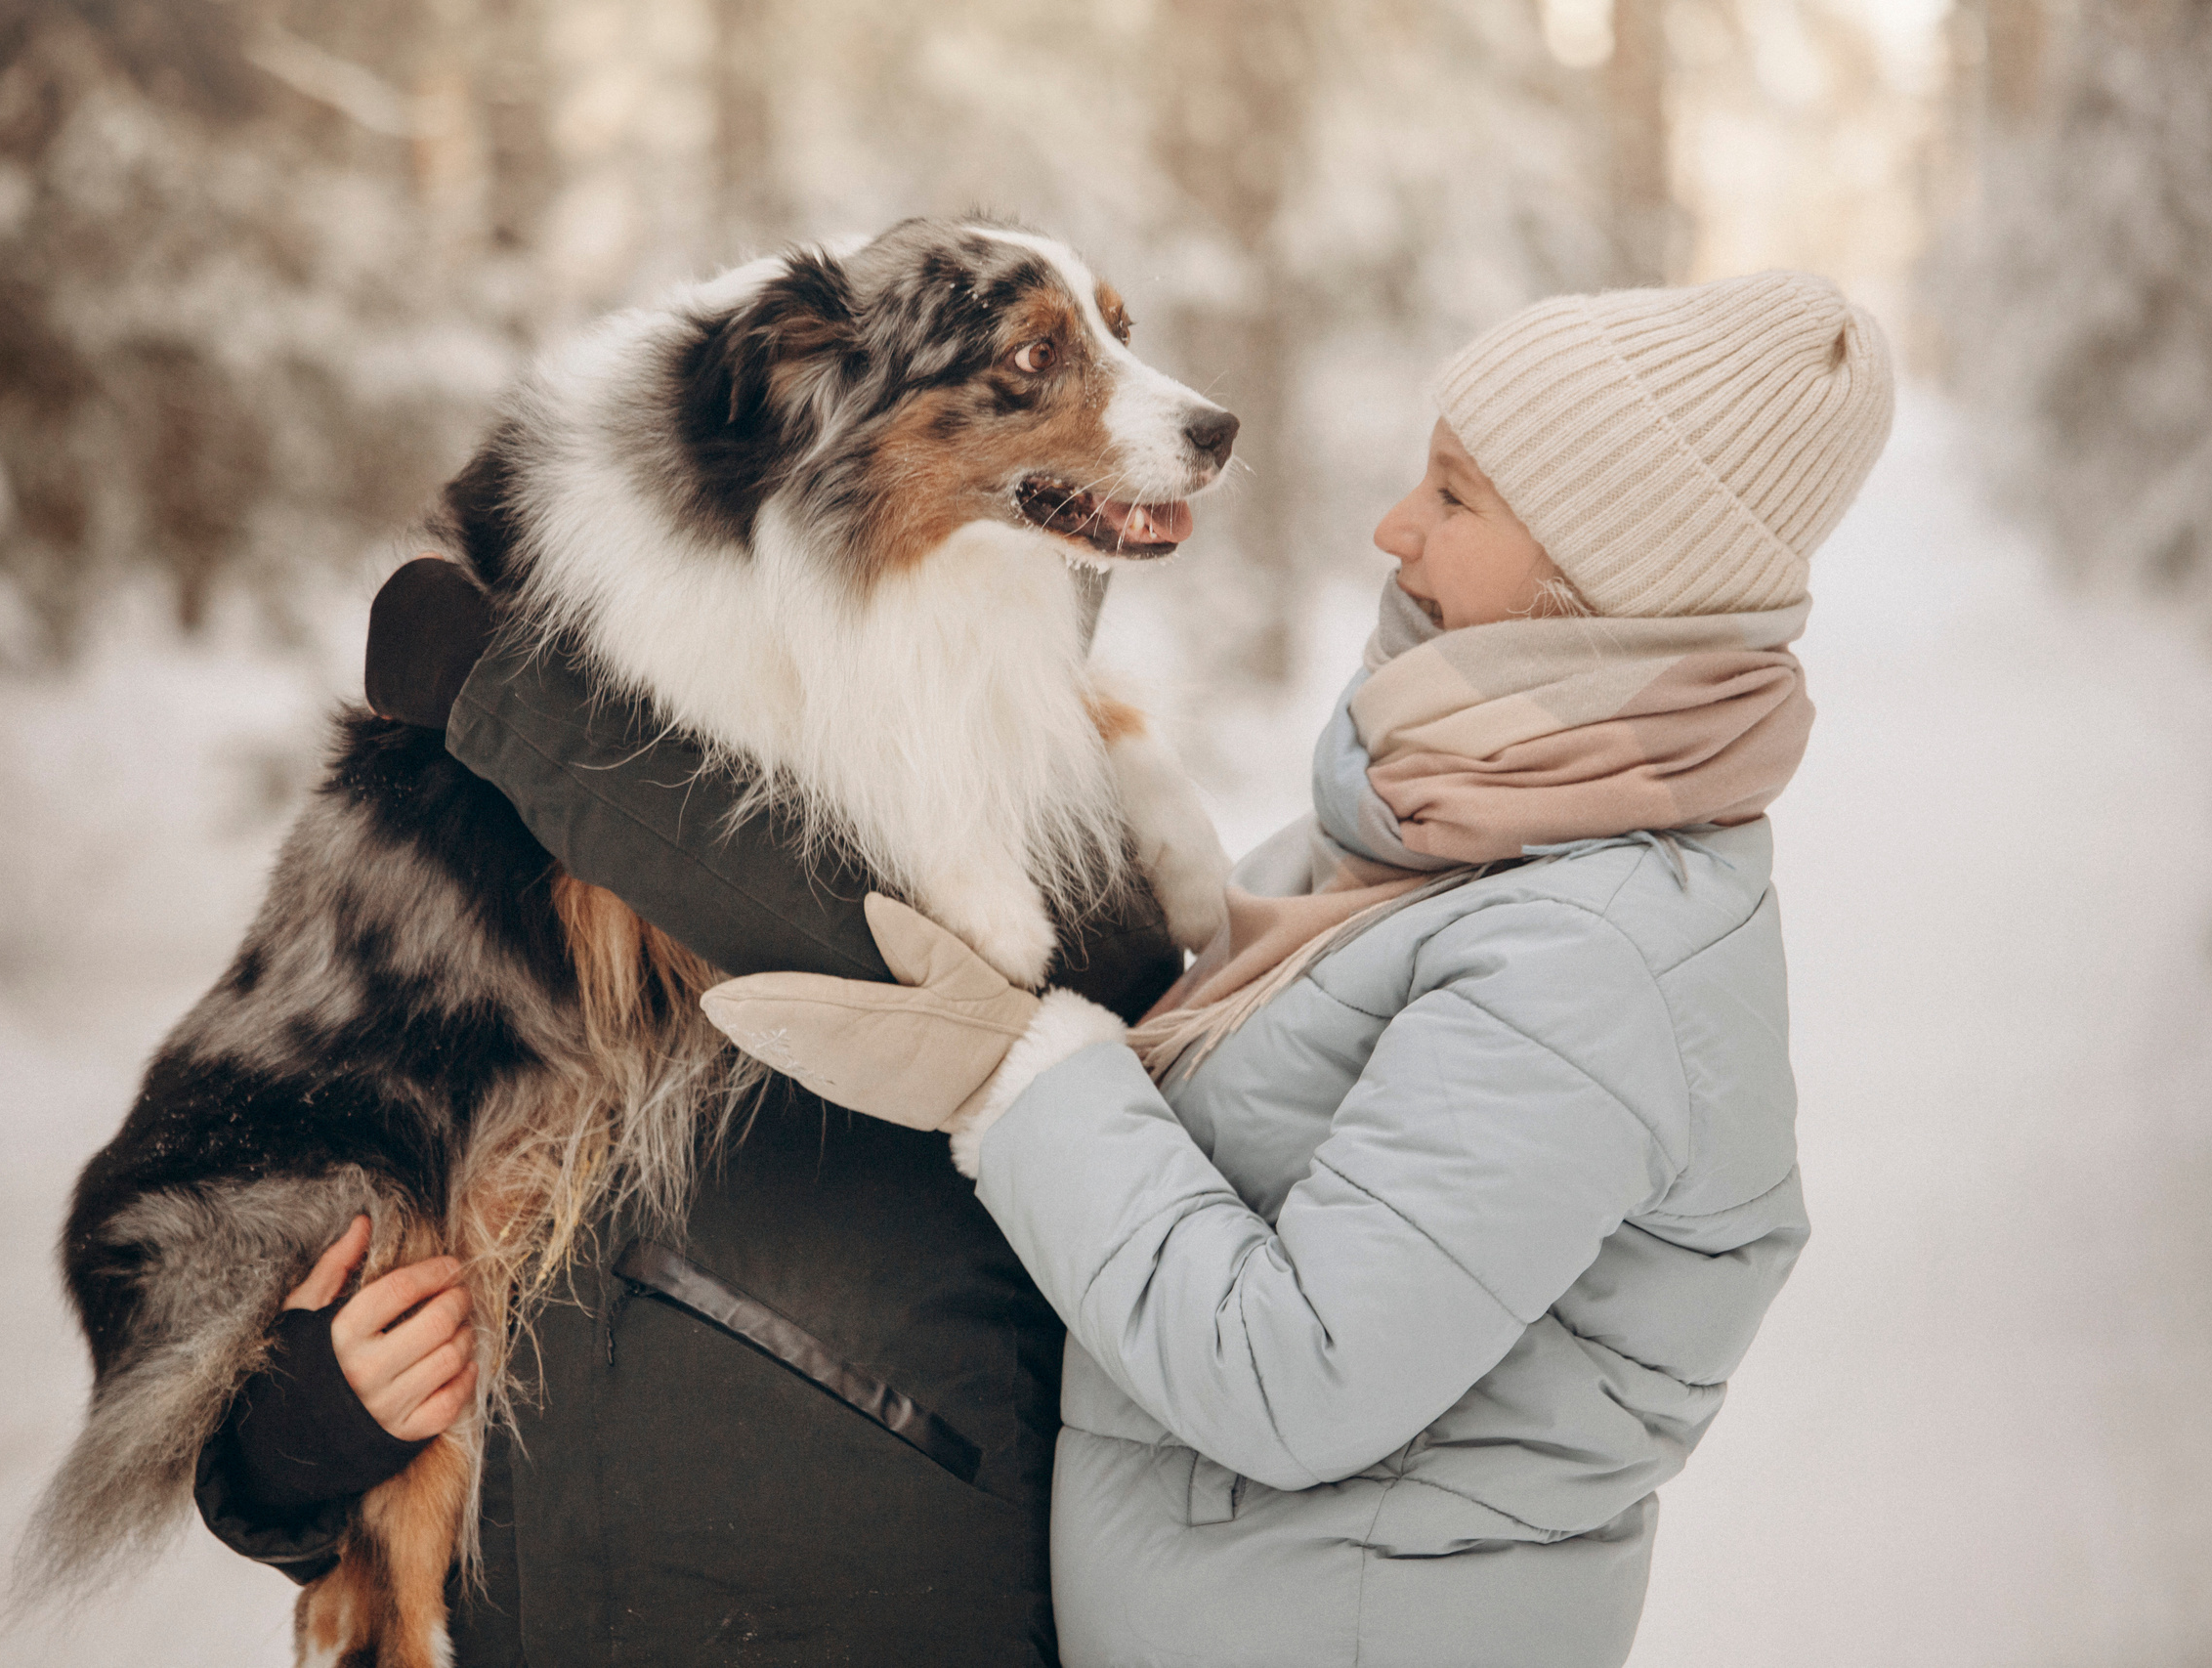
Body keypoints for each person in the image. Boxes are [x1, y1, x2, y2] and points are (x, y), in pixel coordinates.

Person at [696, 270, 1895, 1667]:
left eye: (1454, 498)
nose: (1393, 526)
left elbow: (1294, 1372)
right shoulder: (1453, 820)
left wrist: (1034, 1085)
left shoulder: (1589, 960)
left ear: (1589, 579)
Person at [193, 565, 1180, 1666]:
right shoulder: (503, 877)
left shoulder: (1054, 857)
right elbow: (273, 1279)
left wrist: (511, 701)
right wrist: (306, 1429)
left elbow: (919, 948)